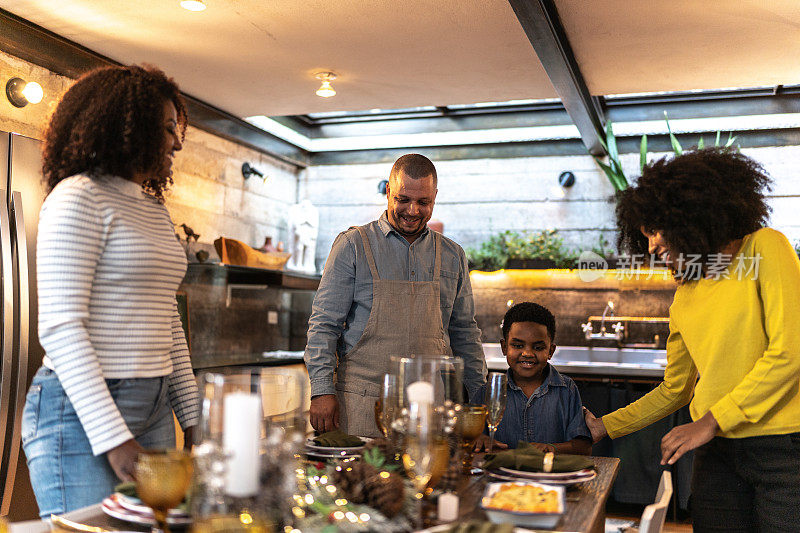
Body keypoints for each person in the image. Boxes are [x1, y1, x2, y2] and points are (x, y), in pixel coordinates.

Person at [583, 148, 800, 531]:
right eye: (645, 235)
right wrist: (603, 426)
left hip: (782, 449)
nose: (650, 246)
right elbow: (674, 390)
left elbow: (790, 353)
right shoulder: (684, 294)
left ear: (693, 215)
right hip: (716, 453)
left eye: (656, 231)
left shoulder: (766, 247)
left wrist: (712, 420)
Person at [21, 65, 201, 516]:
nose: (177, 142)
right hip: (81, 412)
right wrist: (116, 440)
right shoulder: (77, 197)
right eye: (166, 129)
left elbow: (167, 317)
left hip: (155, 403)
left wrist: (194, 415)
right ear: (129, 128)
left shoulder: (153, 210)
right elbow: (62, 328)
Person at [305, 153, 487, 437]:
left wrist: (478, 400)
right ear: (388, 192)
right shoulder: (352, 245)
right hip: (361, 407)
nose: (413, 210)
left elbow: (465, 332)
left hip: (431, 412)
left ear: (435, 197)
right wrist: (321, 391)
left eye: (423, 202)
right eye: (403, 199)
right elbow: (323, 325)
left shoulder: (453, 255)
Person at [475, 302, 591, 454]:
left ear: (551, 351)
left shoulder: (566, 390)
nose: (527, 353)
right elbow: (467, 438)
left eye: (538, 348)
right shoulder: (487, 392)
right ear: (504, 347)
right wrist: (478, 439)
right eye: (518, 345)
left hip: (551, 475)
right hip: (502, 475)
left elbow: (584, 447)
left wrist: (552, 448)